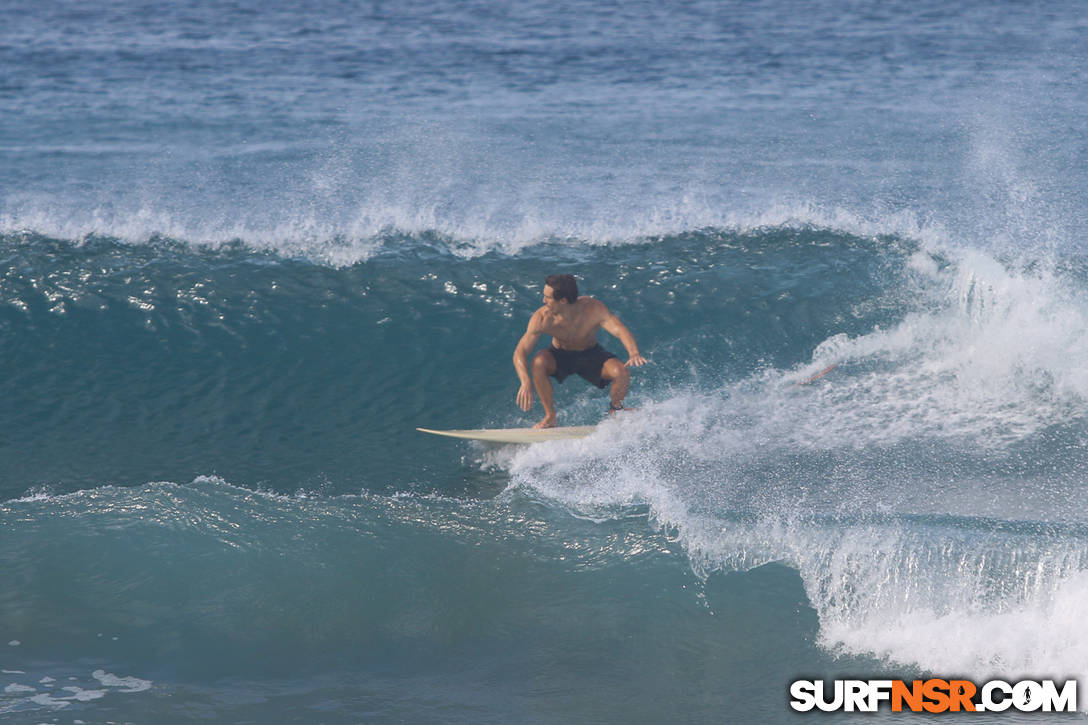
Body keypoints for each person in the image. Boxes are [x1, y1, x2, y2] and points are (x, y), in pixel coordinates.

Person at [513, 274, 647, 428]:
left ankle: (616, 410)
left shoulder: (592, 308)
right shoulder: (542, 318)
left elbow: (619, 329)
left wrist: (634, 352)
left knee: (621, 372)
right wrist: (525, 381)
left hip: (591, 354)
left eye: (548, 298)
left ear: (563, 300)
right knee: (538, 362)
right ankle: (550, 417)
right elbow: (520, 351)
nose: (543, 301)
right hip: (560, 355)